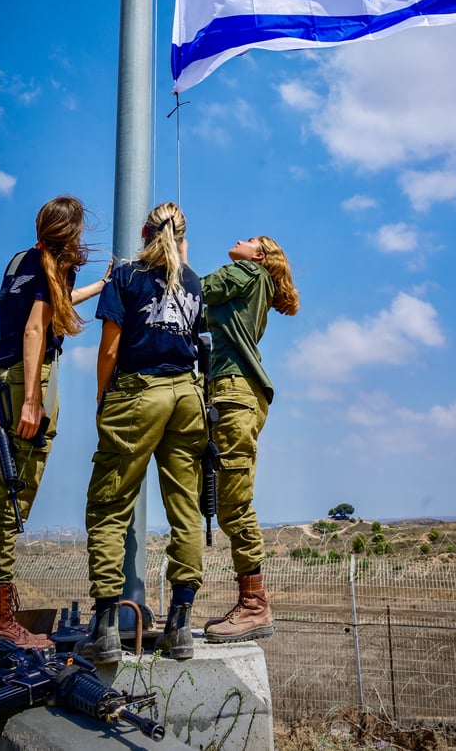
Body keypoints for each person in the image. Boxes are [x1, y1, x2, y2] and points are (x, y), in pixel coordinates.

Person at [0, 195, 109, 649]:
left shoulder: (23, 260)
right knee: (13, 498)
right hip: (27, 380)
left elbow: (49, 306)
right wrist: (33, 399)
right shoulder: (58, 263)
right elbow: (37, 329)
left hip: (3, 376)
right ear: (71, 236)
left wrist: (97, 287)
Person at [76, 202, 207, 664]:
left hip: (139, 393)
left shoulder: (128, 274)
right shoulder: (192, 281)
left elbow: (110, 348)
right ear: (182, 237)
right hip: (187, 396)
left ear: (145, 232)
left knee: (111, 503)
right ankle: (181, 626)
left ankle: (106, 627)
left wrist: (101, 400)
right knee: (186, 509)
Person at [200, 235, 299, 643]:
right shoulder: (255, 281)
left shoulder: (245, 271)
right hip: (238, 392)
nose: (238, 241)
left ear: (258, 255)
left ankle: (255, 605)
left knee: (234, 505)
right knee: (226, 500)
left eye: (249, 240)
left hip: (234, 391)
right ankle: (250, 601)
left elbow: (196, 289)